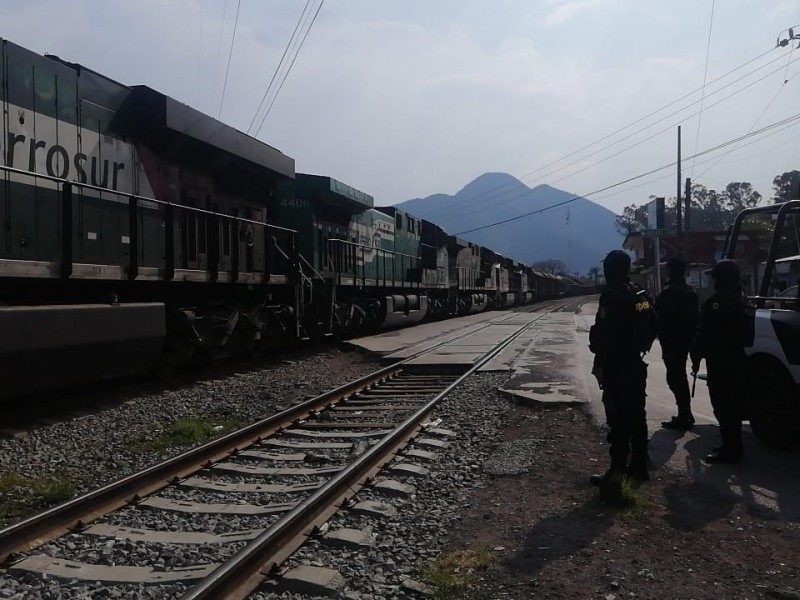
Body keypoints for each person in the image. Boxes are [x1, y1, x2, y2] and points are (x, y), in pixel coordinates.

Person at [589, 250, 657, 500]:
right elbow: (653, 324)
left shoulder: (611, 297)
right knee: (638, 416)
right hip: (636, 364)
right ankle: (639, 467)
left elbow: (603, 335)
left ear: (609, 270)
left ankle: (616, 472)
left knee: (618, 421)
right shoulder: (641, 294)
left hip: (617, 366)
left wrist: (598, 352)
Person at [690, 259, 754, 464]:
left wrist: (697, 354)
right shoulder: (743, 299)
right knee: (733, 405)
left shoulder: (717, 302)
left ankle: (731, 449)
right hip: (738, 360)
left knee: (724, 406)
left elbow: (705, 334)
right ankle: (731, 444)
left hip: (721, 362)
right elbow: (747, 337)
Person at [655, 257, 700, 430]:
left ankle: (684, 414)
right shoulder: (691, 292)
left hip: (672, 342)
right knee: (679, 376)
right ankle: (685, 412)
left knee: (675, 378)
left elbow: (659, 318)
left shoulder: (667, 294)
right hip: (688, 339)